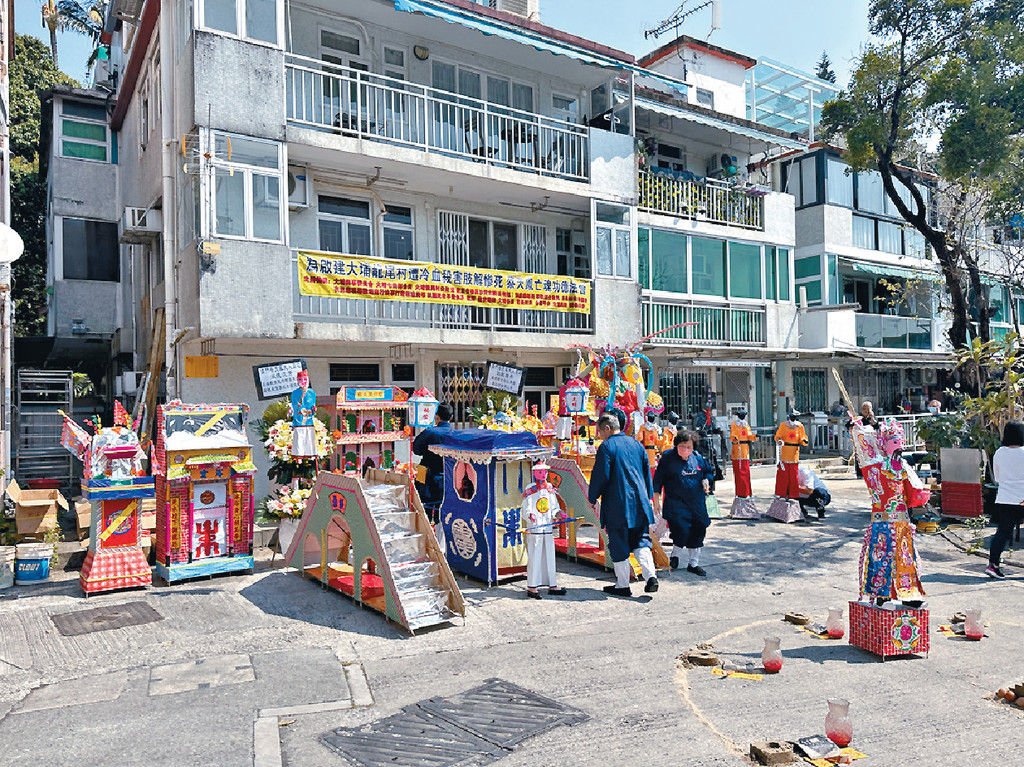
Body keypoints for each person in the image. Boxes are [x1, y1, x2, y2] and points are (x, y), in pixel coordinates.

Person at [853, 418, 929, 604]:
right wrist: (858, 432)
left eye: (900, 443)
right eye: (895, 443)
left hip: (902, 520)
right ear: (884, 445)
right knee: (882, 556)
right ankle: (882, 594)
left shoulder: (903, 466)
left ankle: (907, 592)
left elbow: (913, 492)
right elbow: (864, 451)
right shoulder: (875, 466)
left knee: (904, 558)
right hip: (882, 520)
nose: (899, 447)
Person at [588, 413, 658, 596]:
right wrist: (649, 496)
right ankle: (650, 576)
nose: (600, 436)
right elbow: (646, 473)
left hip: (618, 503)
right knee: (641, 540)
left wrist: (592, 497)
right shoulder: (637, 444)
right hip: (640, 502)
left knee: (618, 542)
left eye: (600, 432)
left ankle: (623, 585)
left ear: (607, 429)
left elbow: (600, 475)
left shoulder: (607, 447)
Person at [653, 430, 715, 577]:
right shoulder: (668, 458)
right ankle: (675, 554)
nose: (685, 450)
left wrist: (707, 479)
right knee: (681, 529)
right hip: (676, 503)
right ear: (676, 445)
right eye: (682, 446)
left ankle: (693, 563)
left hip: (696, 503)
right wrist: (656, 500)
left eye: (689, 447)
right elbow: (657, 480)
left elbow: (708, 471)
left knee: (699, 529)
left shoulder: (697, 458)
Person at [522, 461, 567, 598]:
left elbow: (553, 507)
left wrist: (559, 513)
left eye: (545, 471)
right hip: (535, 527)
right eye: (540, 472)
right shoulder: (530, 488)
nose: (544, 474)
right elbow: (526, 507)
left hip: (547, 526)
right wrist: (530, 515)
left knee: (549, 555)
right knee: (535, 555)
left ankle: (552, 584)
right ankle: (532, 587)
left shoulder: (549, 488)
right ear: (535, 473)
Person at [987, 422, 1024, 578]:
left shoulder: (999, 452)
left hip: (1004, 497)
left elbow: (998, 477)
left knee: (1002, 533)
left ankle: (993, 565)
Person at [412, 403, 454, 517]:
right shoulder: (455, 434)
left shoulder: (429, 432)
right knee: (442, 509)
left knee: (423, 508)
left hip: (425, 472)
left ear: (437, 417)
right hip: (447, 475)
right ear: (451, 417)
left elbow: (416, 450)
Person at [289, 370, 318, 463]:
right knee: (299, 438)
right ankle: (299, 458)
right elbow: (295, 406)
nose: (303, 381)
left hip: (309, 419)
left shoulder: (312, 393)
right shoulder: (294, 393)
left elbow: (313, 404)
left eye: (305, 379)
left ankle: (311, 455)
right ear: (297, 381)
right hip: (299, 418)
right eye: (300, 379)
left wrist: (314, 409)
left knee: (309, 437)